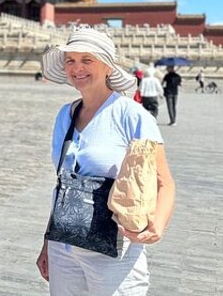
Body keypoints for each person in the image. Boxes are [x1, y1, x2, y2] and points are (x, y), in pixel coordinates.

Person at [37, 28, 176, 295]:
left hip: (115, 252)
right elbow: (64, 186)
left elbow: (165, 183)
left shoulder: (132, 115)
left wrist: (157, 226)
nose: (77, 68)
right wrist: (48, 241)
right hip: (63, 248)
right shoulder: (65, 115)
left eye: (87, 60)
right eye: (70, 60)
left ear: (108, 67)